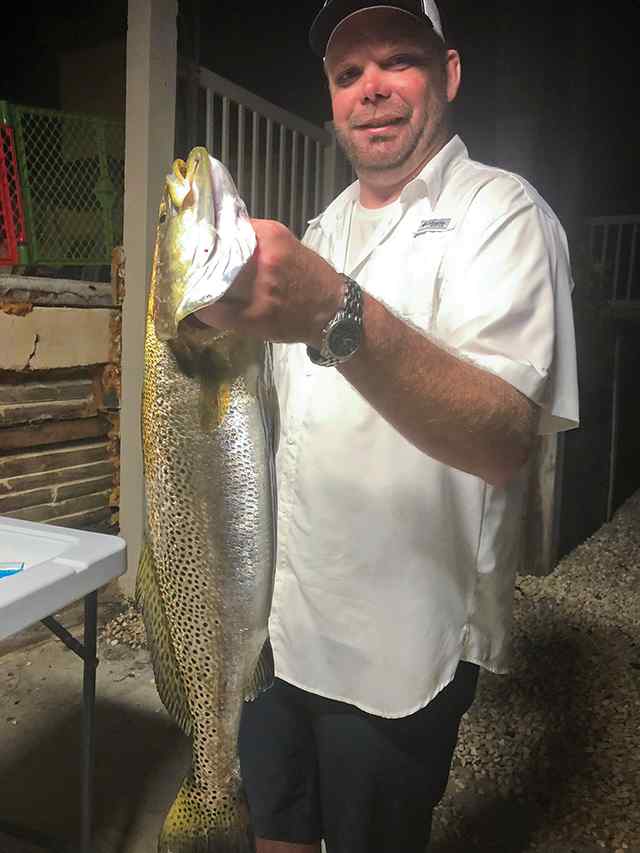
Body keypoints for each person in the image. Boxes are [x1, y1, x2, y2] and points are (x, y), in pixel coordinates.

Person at [197, 1, 579, 850]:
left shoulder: (504, 214)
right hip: (277, 623)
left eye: (397, 60)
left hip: (398, 644)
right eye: (348, 74)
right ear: (332, 99)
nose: (370, 88)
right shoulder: (322, 226)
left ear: (449, 73)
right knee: (277, 831)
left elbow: (505, 439)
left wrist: (335, 312)